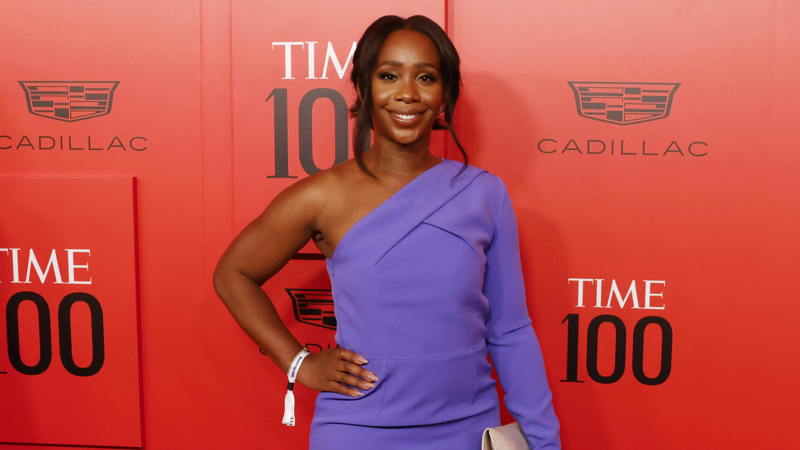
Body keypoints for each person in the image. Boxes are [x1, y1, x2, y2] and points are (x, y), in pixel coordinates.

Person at [213, 15, 561, 450]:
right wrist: (299, 363)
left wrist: (545, 441)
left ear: (445, 95)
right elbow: (233, 274)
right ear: (364, 87)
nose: (407, 93)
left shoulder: (484, 193)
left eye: (427, 77)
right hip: (358, 430)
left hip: (469, 429)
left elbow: (510, 330)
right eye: (389, 75)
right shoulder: (321, 196)